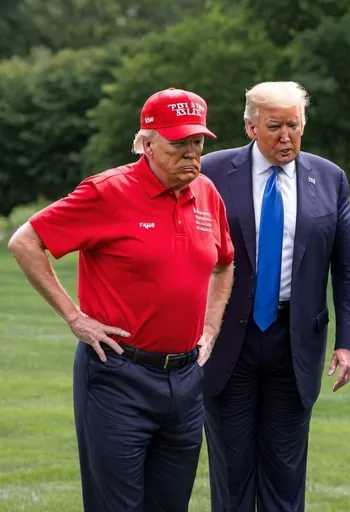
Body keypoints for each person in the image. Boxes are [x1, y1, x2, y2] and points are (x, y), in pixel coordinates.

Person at [8, 87, 235, 512]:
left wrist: (210, 326)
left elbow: (225, 264)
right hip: (118, 375)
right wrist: (75, 318)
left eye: (197, 142)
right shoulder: (107, 192)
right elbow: (26, 241)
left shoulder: (206, 193)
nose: (190, 154)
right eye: (177, 143)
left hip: (185, 380)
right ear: (146, 144)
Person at [200, 81, 350, 512]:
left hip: (295, 344)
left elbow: (347, 269)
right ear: (251, 127)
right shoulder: (212, 172)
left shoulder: (330, 179)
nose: (286, 136)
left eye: (294, 125)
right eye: (275, 126)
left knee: (285, 477)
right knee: (232, 477)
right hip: (225, 344)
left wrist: (348, 343)